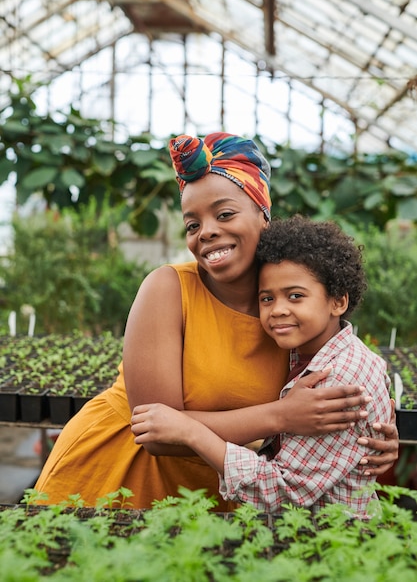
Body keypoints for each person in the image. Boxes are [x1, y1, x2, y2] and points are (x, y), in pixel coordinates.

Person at [35, 133, 398, 510]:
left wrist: (371, 436)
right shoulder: (168, 289)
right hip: (115, 480)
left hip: (220, 492)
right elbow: (156, 433)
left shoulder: (288, 310)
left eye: (224, 214)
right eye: (192, 224)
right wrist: (280, 416)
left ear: (264, 215)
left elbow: (342, 371)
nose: (205, 231)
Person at [131, 215, 392, 516]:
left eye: (295, 296)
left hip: (324, 541)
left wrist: (191, 431)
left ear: (338, 301)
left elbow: (282, 493)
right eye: (266, 299)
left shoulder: (339, 378)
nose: (278, 310)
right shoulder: (300, 350)